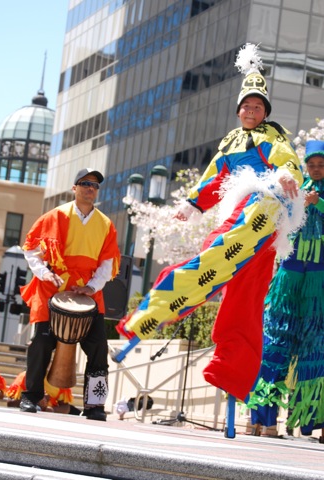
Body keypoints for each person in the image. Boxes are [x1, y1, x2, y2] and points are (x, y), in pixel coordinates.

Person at [116, 43, 304, 403]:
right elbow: (214, 176)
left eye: (258, 106)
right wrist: (191, 204)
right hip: (239, 213)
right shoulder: (230, 141)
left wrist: (284, 176)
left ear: (265, 112)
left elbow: (285, 161)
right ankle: (221, 363)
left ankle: (172, 321)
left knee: (233, 279)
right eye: (247, 106)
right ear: (238, 111)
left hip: (263, 208)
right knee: (234, 285)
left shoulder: (272, 136)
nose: (252, 110)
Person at [19, 167, 121, 421]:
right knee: (41, 344)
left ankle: (95, 405)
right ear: (74, 188)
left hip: (87, 295)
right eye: (85, 183)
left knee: (98, 349)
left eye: (95, 185)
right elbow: (32, 251)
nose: (90, 188)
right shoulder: (54, 216)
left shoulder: (105, 224)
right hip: (50, 289)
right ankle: (30, 396)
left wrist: (92, 287)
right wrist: (45, 274)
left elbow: (107, 265)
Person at [248, 139, 324, 443]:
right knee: (275, 344)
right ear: (305, 165)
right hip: (289, 274)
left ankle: (315, 421)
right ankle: (264, 421)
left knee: (317, 348)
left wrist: (318, 202)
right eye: (312, 163)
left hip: (319, 278)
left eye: (321, 163)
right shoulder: (293, 187)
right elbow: (273, 216)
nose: (316, 168)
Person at [6, 371, 81, 415]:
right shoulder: (24, 376)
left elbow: (66, 407)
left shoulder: (58, 379)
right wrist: (32, 400)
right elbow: (10, 403)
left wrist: (51, 410)